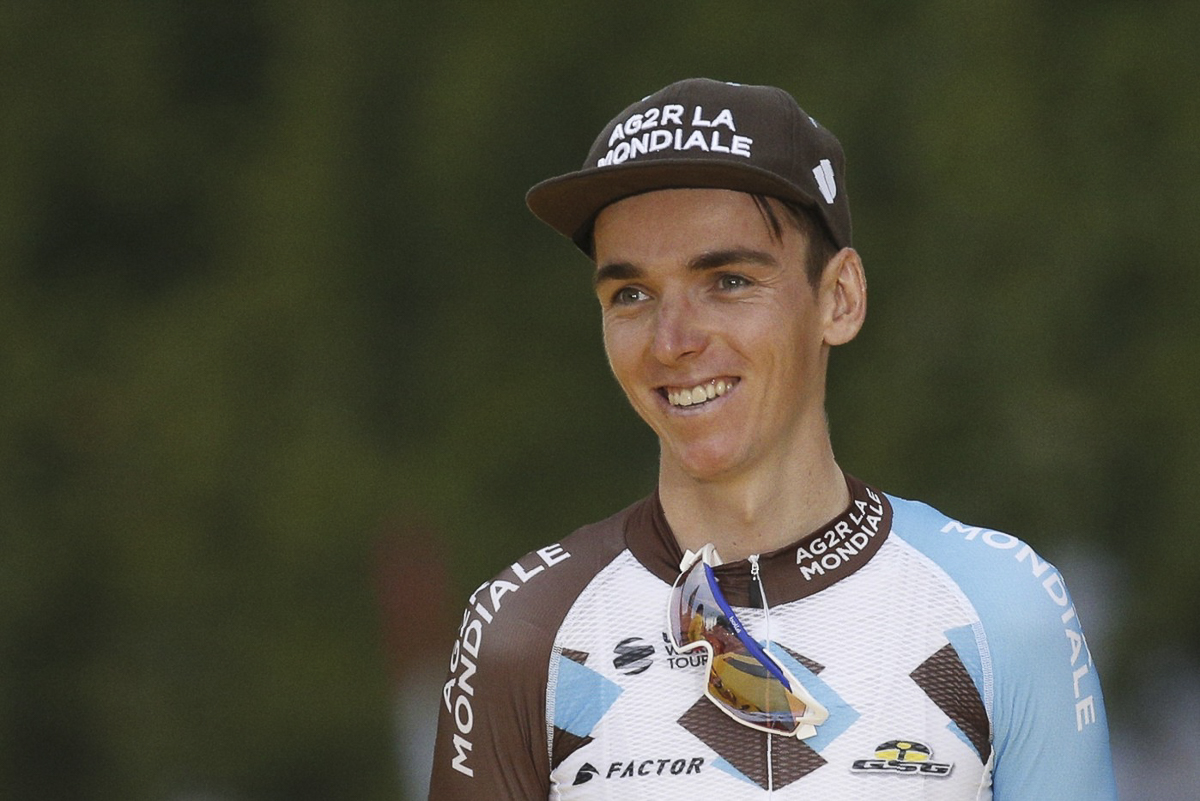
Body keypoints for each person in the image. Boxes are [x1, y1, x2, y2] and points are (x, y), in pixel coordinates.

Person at [428, 78, 1117, 799]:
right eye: (631, 294)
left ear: (840, 298)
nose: (673, 341)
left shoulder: (1001, 608)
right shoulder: (526, 632)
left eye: (727, 280)